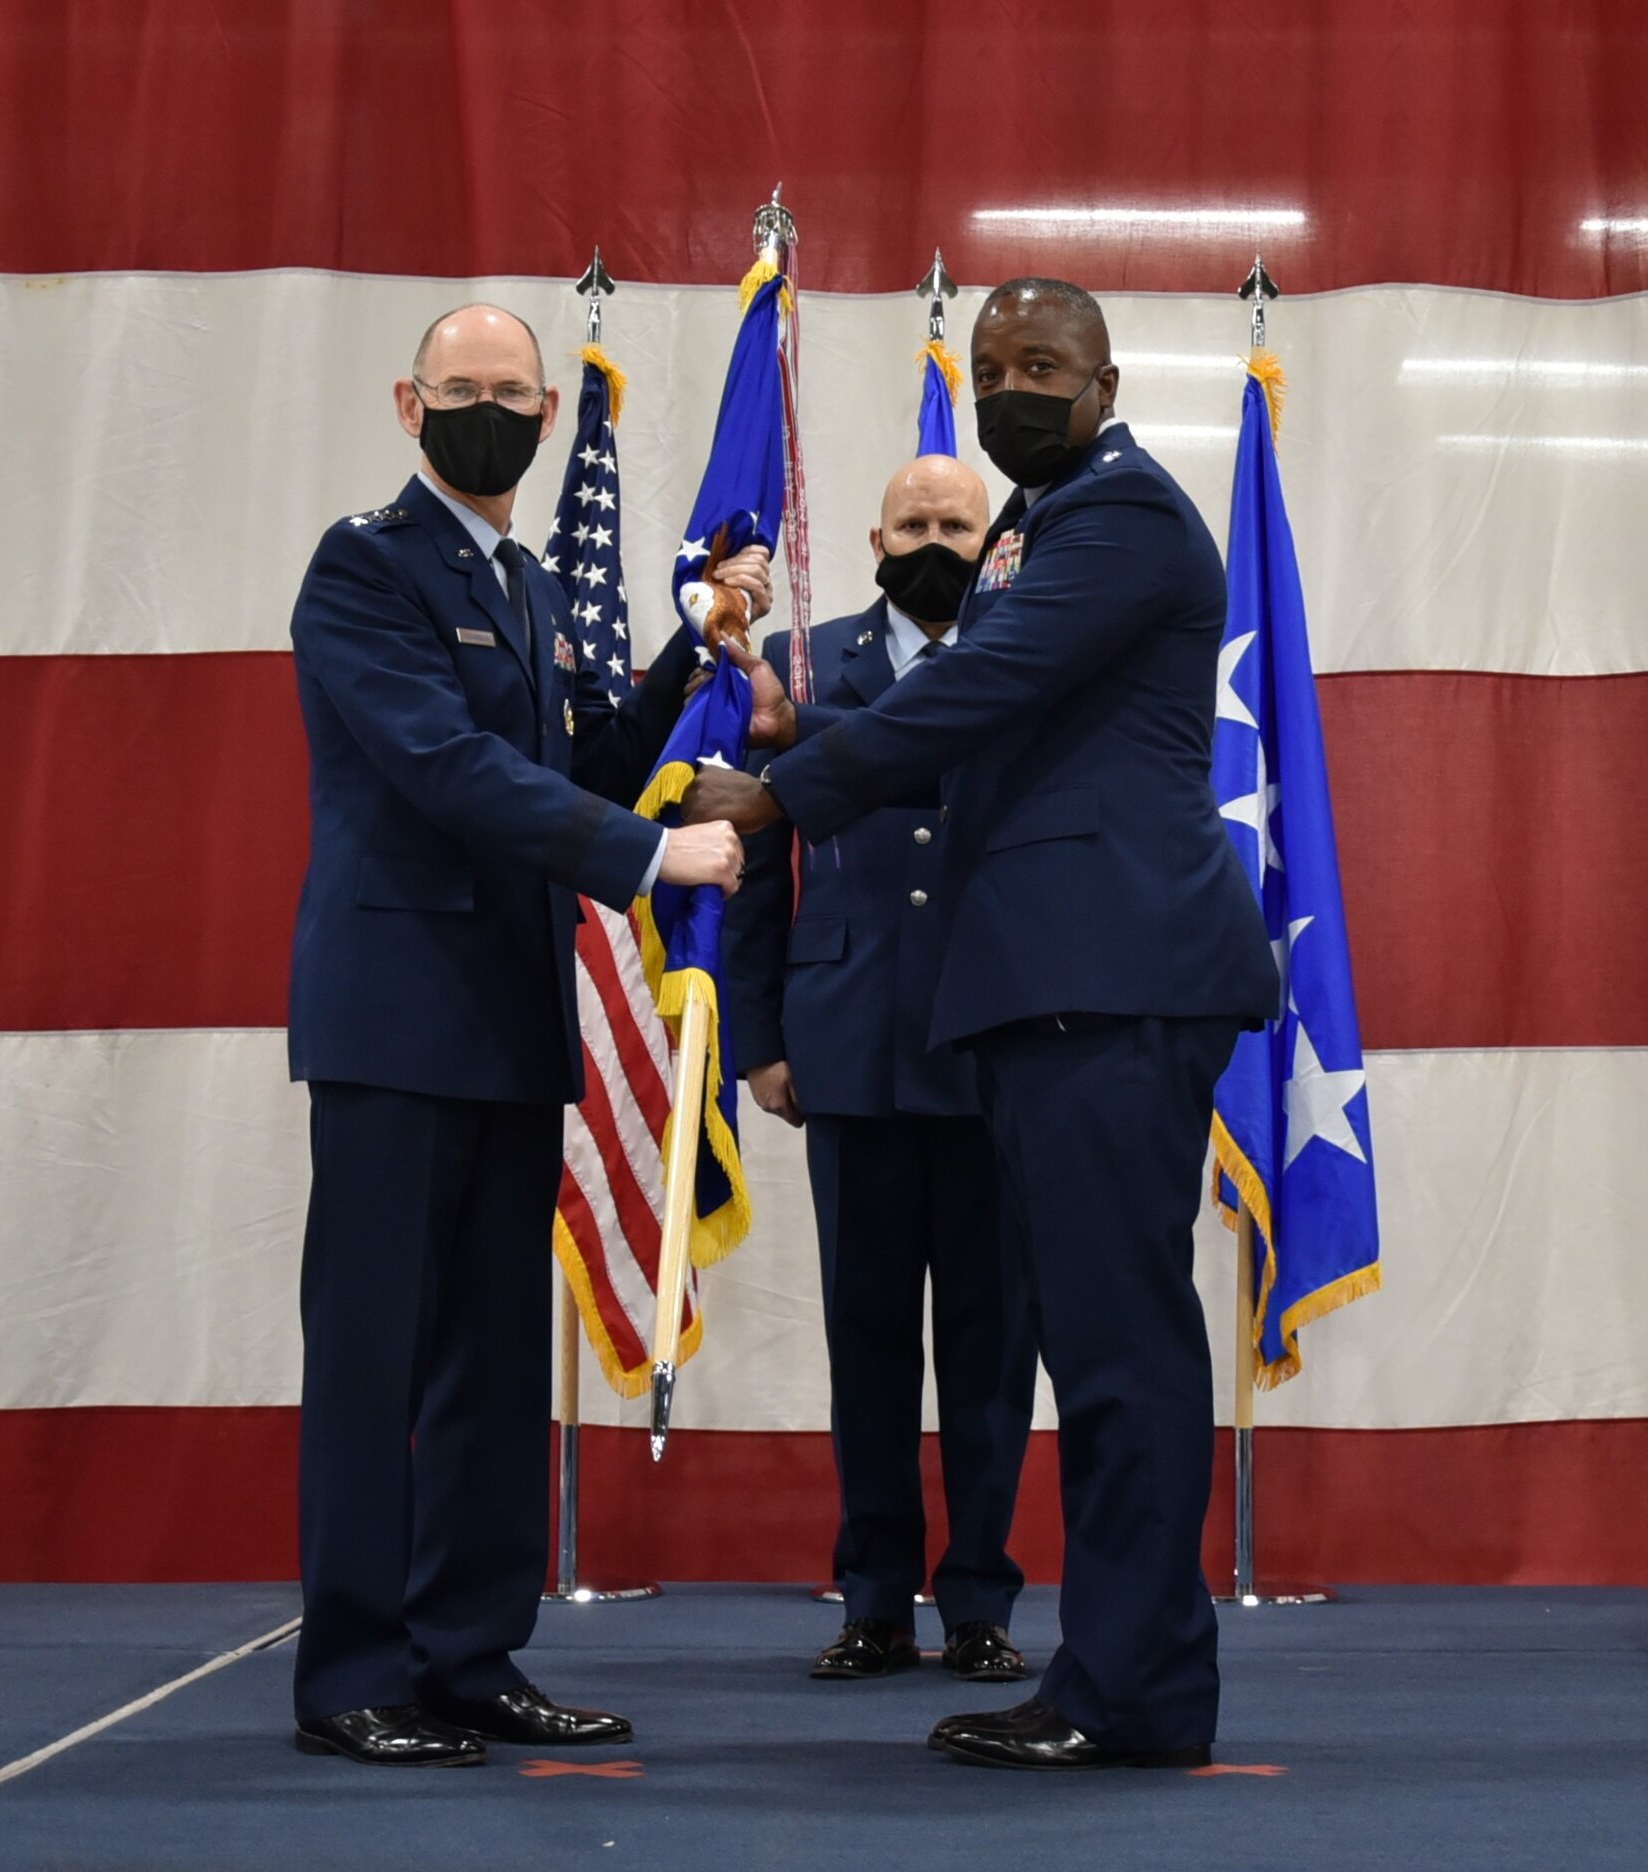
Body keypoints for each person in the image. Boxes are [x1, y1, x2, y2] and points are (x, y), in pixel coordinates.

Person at [683, 278, 1278, 1770]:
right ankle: (1118, 1680)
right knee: (1095, 1343)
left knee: (1119, 1349)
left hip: (1110, 975)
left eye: (1043, 365)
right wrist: (800, 739)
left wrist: (782, 795)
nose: (1012, 386)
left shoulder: (1121, 516)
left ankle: (1135, 1694)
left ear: (1108, 380)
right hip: (1055, 985)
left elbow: (985, 691)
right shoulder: (1041, 524)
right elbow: (982, 725)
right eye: (994, 362)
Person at [286, 303, 764, 1768]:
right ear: (407, 400)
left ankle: (471, 1655)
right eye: (460, 388)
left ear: (553, 416)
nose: (487, 410)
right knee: (376, 1355)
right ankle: (354, 1672)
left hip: (507, 1021)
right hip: (392, 1018)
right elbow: (448, 769)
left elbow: (592, 764)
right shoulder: (366, 567)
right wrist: (647, 864)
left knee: (493, 1363)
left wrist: (693, 660)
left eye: (511, 392)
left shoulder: (540, 592)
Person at [723, 456, 1037, 1686]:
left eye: (956, 525)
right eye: (912, 522)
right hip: (845, 1045)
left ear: (989, 542)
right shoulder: (804, 662)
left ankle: (978, 1606)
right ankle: (871, 1602)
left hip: (984, 1043)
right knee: (865, 1345)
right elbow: (757, 843)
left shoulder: (1026, 655)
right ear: (870, 536)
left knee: (988, 1348)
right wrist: (759, 1037)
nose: (933, 541)